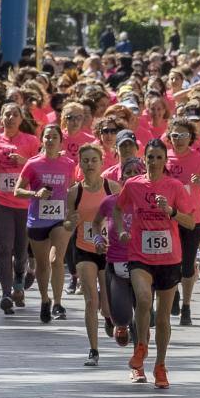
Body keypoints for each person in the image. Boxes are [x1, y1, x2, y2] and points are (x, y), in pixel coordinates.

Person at [114, 139, 194, 386]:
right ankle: (140, 347)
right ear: (144, 159)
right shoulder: (133, 184)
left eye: (160, 157)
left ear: (165, 161)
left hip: (169, 258)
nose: (155, 162)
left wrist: (170, 211)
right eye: (151, 157)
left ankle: (160, 366)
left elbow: (190, 222)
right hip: (140, 255)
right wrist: (120, 230)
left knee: (163, 319)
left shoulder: (175, 186)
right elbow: (118, 209)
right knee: (144, 300)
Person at [0, 103, 40, 314]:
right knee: (4, 248)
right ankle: (6, 294)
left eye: (15, 114)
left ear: (21, 118)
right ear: (1, 118)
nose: (11, 117)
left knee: (21, 249)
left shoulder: (31, 141)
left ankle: (18, 280)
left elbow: (38, 168)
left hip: (25, 203)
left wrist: (25, 161)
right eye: (7, 114)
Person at [65, 143, 119, 366]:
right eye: (85, 160)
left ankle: (108, 317)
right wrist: (71, 222)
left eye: (93, 160)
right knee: (90, 300)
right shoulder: (74, 192)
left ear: (101, 162)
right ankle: (93, 350)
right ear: (80, 164)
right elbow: (67, 222)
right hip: (83, 249)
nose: (89, 164)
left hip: (108, 251)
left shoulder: (113, 188)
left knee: (106, 303)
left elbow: (122, 218)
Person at [14, 124, 74, 323]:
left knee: (56, 260)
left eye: (54, 137)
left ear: (60, 141)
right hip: (37, 219)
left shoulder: (68, 163)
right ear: (42, 140)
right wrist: (35, 193)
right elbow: (17, 191)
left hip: (59, 219)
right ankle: (45, 299)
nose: (50, 140)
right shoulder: (33, 164)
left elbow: (73, 188)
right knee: (42, 265)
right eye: (47, 137)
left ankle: (57, 303)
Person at [93, 157, 145, 347]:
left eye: (136, 172)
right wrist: (98, 239)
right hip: (117, 263)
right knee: (122, 315)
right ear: (121, 178)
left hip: (145, 263)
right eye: (128, 173)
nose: (132, 176)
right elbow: (96, 223)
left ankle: (139, 356)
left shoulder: (150, 202)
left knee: (144, 314)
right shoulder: (110, 202)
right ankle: (122, 325)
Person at [165, 118, 200, 326]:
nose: (179, 140)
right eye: (175, 136)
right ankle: (173, 294)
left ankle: (186, 306)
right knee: (171, 261)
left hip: (193, 218)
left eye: (183, 136)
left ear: (191, 138)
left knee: (187, 264)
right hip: (169, 217)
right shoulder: (164, 157)